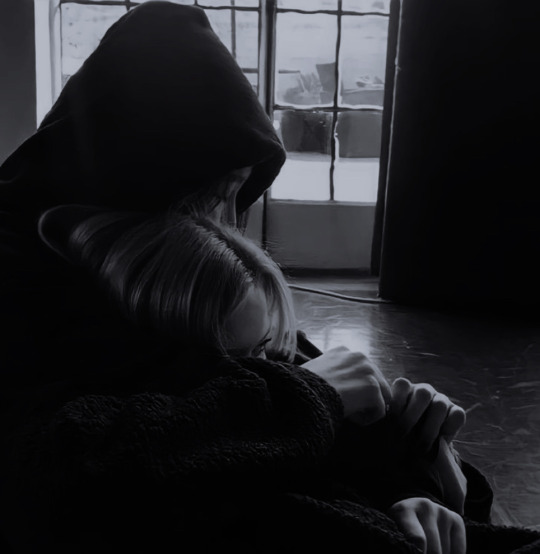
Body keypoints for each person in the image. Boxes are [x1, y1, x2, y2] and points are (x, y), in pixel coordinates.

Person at [0, 2, 538, 553]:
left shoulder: (185, 270)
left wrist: (414, 468)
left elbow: (284, 373)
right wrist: (307, 398)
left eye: (239, 191)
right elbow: (65, 469)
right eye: (212, 194)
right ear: (145, 174)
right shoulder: (25, 284)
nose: (227, 219)